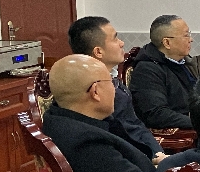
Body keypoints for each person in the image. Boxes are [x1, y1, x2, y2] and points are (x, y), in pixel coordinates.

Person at [68, 16, 164, 161]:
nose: (121, 43)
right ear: (98, 52)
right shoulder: (91, 92)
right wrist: (151, 158)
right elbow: (118, 136)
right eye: (115, 39)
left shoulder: (112, 78)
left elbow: (135, 124)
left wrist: (157, 153)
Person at [128, 14, 200, 130]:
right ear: (167, 43)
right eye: (186, 35)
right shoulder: (147, 70)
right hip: (183, 131)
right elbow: (157, 114)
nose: (191, 39)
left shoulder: (184, 62)